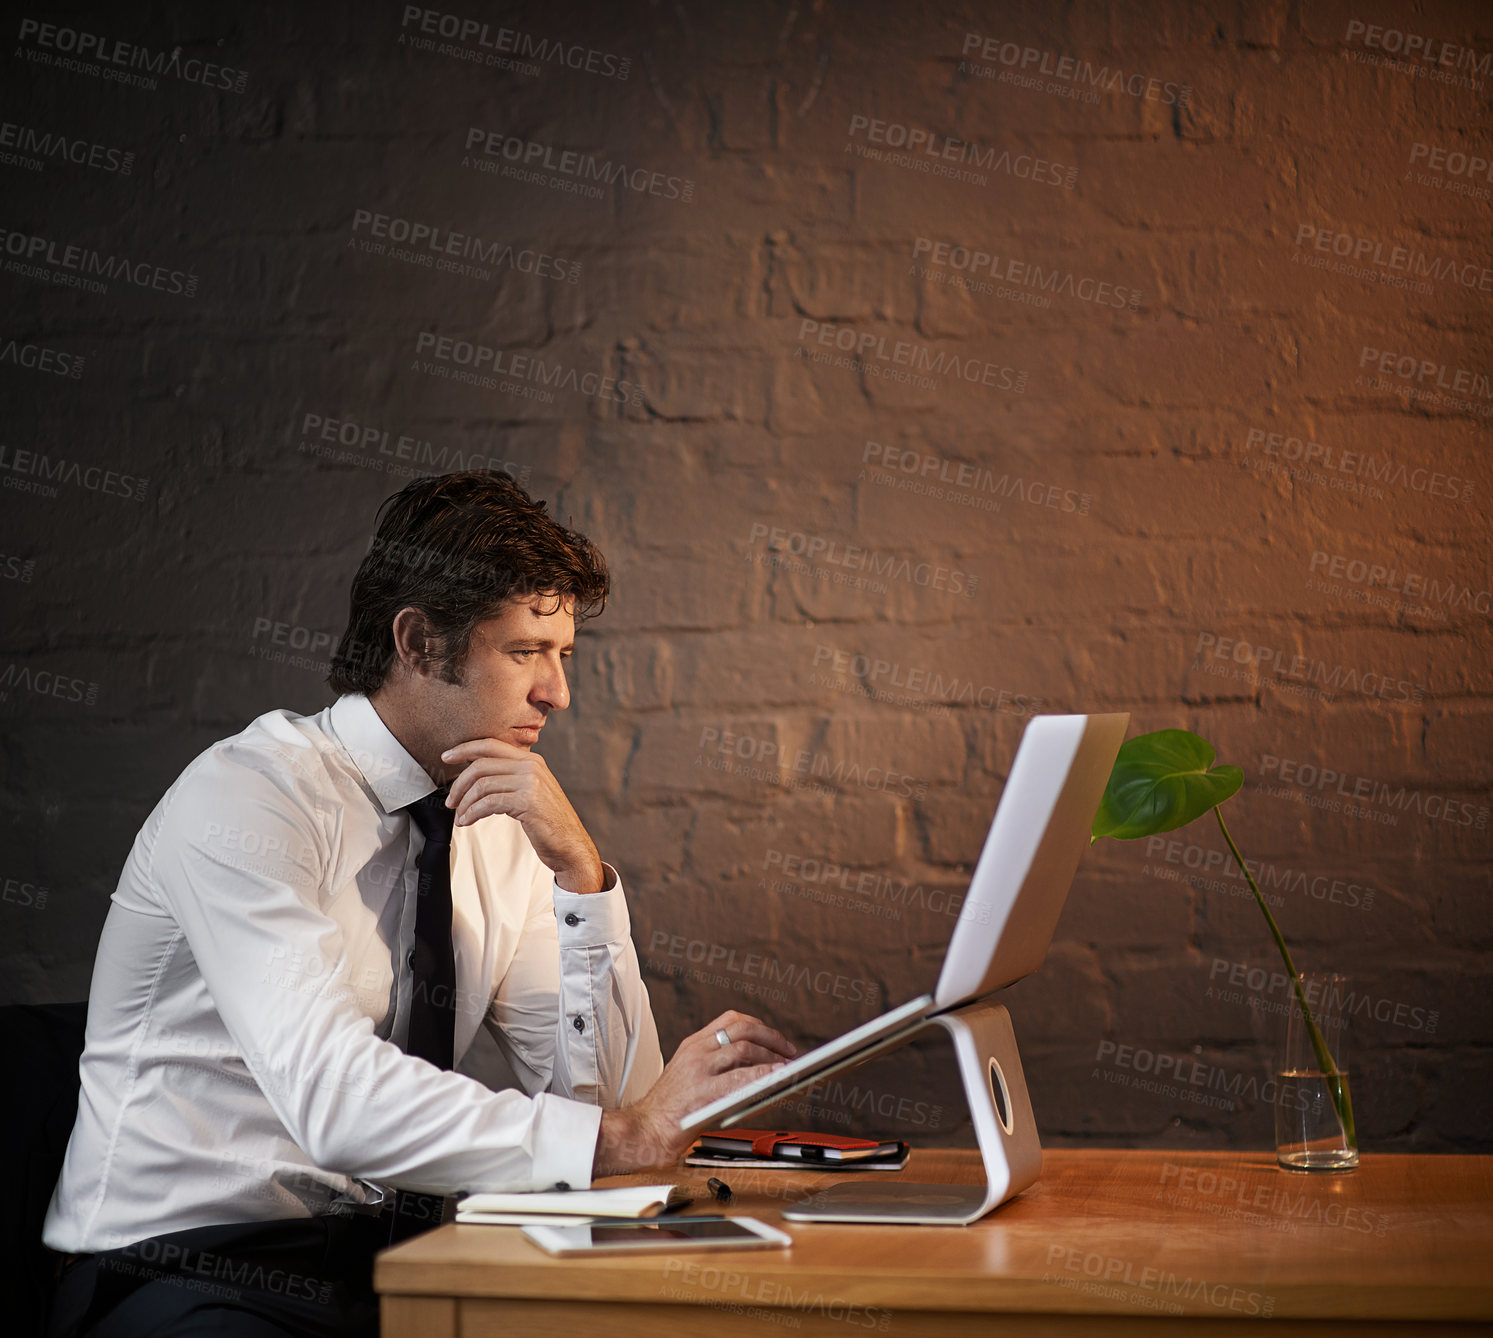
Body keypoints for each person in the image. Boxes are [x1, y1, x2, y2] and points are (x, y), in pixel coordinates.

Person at [43, 470, 794, 1337]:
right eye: (524, 653)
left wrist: (581, 878)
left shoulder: (502, 822)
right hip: (185, 1266)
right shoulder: (248, 799)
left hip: (395, 1264)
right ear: (418, 643)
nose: (558, 692)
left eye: (563, 656)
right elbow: (334, 1103)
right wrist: (621, 1138)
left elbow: (621, 1105)